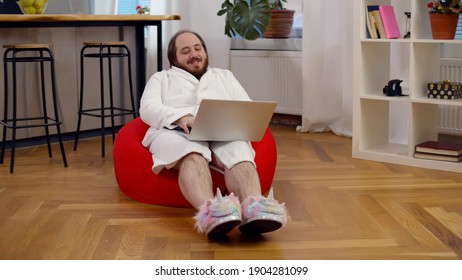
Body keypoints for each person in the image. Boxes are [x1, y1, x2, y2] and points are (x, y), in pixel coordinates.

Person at [139, 30, 287, 238]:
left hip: (221, 130)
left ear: (205, 52)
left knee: (239, 153)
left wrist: (240, 122)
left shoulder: (224, 76)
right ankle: (212, 214)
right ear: (174, 59)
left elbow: (246, 106)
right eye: (185, 51)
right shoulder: (161, 78)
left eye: (198, 48)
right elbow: (147, 108)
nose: (194, 54)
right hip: (174, 131)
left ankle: (255, 210)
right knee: (192, 154)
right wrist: (180, 117)